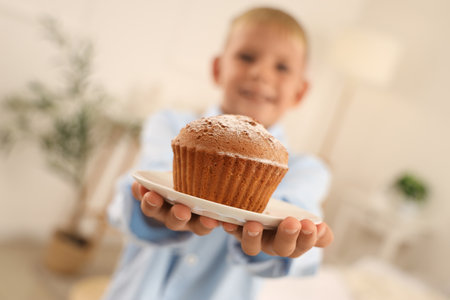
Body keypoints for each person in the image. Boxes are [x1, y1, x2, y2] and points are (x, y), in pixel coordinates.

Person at [102, 6, 334, 300]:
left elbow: (294, 219)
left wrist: (273, 245)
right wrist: (151, 213)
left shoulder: (307, 169)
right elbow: (134, 192)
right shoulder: (171, 125)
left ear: (300, 92)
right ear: (217, 69)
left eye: (282, 67)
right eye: (246, 57)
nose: (261, 73)